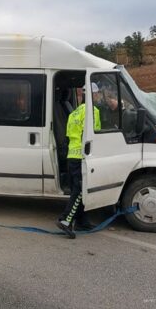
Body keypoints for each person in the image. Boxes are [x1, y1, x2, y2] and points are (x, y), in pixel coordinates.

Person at [56, 83, 101, 239]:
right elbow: (95, 135)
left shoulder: (74, 112)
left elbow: (70, 136)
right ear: (93, 95)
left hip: (72, 156)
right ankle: (66, 220)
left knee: (79, 188)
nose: (98, 96)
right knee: (80, 190)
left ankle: (82, 221)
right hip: (83, 157)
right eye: (97, 94)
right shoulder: (93, 112)